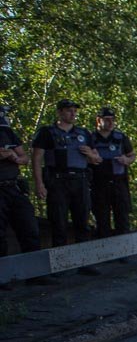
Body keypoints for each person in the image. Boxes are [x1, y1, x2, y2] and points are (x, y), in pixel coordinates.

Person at [32, 100, 102, 272]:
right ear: (60, 112)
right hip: (57, 181)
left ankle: (84, 263)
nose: (73, 114)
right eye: (69, 111)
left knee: (82, 221)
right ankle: (59, 264)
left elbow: (97, 159)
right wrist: (39, 183)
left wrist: (90, 154)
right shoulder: (47, 132)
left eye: (74, 111)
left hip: (80, 180)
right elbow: (36, 159)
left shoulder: (83, 133)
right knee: (58, 222)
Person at [0, 105, 42, 278]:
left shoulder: (8, 132)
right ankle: (3, 277)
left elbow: (24, 158)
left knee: (29, 228)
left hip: (14, 187)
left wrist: (13, 156)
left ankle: (36, 274)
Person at [90, 106, 135, 239]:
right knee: (102, 219)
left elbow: (132, 155)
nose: (110, 123)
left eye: (112, 120)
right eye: (107, 120)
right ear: (99, 120)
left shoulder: (121, 137)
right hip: (99, 184)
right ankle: (106, 254)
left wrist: (126, 160)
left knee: (122, 218)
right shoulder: (91, 138)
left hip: (118, 182)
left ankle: (124, 252)